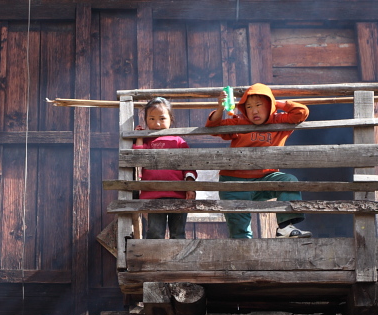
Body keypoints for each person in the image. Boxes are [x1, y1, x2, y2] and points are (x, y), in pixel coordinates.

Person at [206, 83, 311, 239]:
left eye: (259, 105)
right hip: (234, 183)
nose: (254, 110)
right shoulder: (239, 122)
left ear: (269, 105)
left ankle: (284, 227)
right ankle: (243, 254)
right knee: (239, 232)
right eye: (248, 107)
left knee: (289, 181)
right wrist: (221, 108)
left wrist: (276, 103)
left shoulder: (279, 121)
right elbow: (213, 126)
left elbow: (301, 112)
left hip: (265, 178)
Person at [132, 97, 196, 239]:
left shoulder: (178, 141)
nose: (157, 123)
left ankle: (178, 261)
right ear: (146, 120)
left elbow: (189, 164)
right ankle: (153, 261)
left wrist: (190, 185)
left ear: (170, 119)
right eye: (152, 119)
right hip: (154, 196)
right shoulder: (147, 141)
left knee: (178, 233)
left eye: (162, 118)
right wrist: (139, 137)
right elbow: (138, 157)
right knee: (155, 233)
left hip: (178, 195)